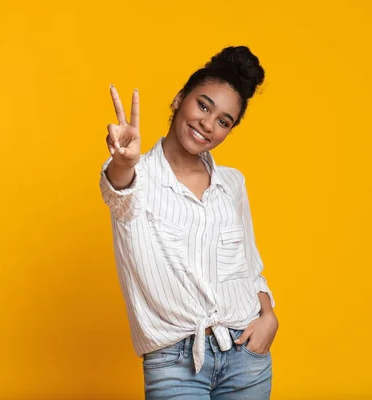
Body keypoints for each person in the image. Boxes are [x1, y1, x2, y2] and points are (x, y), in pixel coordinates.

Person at [100, 46, 278, 399]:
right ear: (180, 99)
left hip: (246, 354)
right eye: (203, 105)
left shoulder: (232, 183)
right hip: (174, 363)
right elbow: (119, 191)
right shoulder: (138, 177)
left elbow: (249, 265)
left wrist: (268, 316)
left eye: (224, 121)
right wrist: (123, 161)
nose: (207, 124)